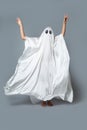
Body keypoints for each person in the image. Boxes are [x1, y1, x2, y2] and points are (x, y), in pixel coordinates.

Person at [16, 15, 69, 107]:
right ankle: (44, 100)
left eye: (50, 32)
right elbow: (23, 37)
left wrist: (64, 23)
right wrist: (21, 25)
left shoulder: (54, 41)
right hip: (42, 66)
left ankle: (49, 99)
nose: (48, 34)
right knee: (43, 83)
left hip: (52, 65)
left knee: (51, 82)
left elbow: (62, 35)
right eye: (46, 32)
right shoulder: (38, 42)